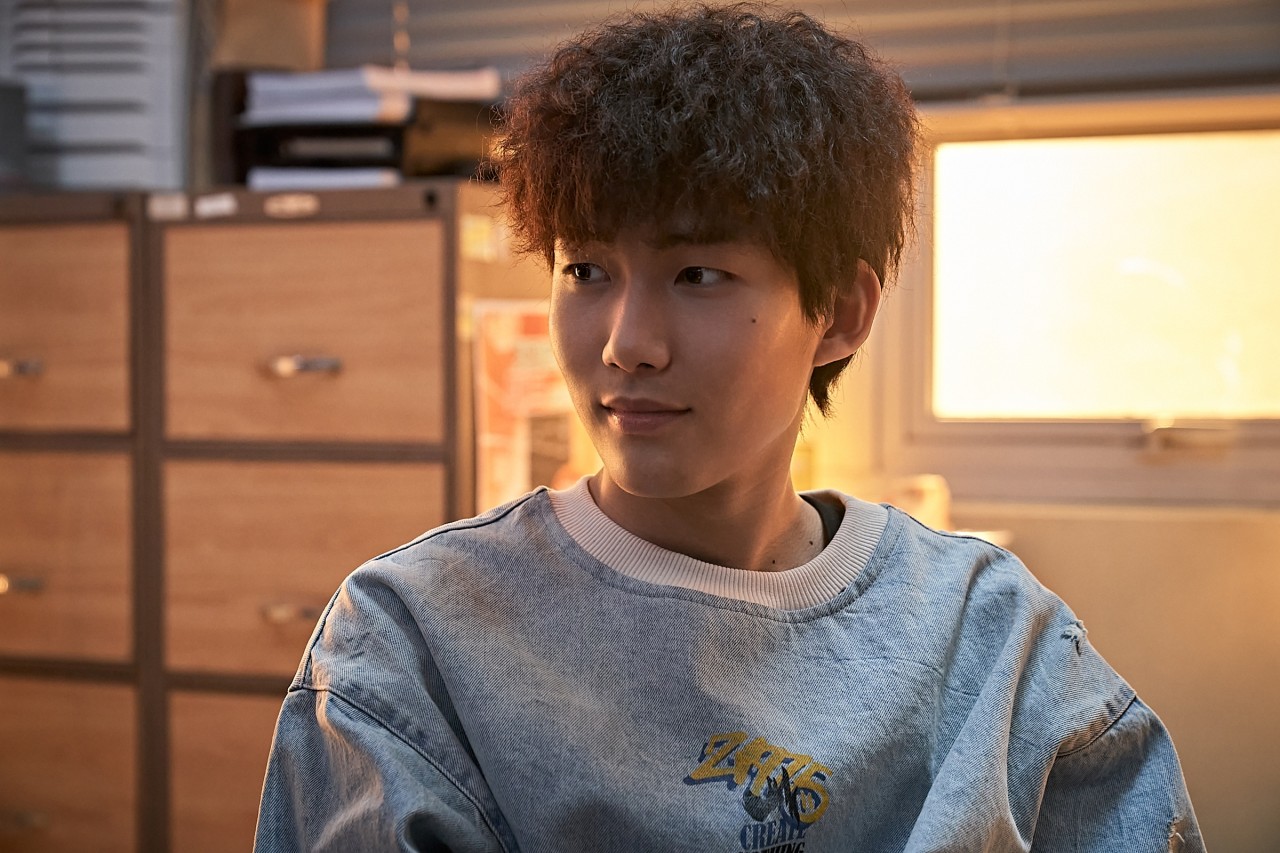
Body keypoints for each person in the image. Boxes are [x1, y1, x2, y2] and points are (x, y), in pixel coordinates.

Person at [254, 4, 1204, 851]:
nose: (626, 344)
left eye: (698, 275)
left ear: (839, 314)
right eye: (585, 270)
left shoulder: (992, 640)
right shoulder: (412, 637)